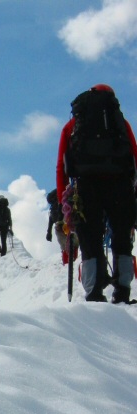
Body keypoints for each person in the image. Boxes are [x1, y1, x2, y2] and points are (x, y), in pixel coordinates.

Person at [56, 83, 137, 303]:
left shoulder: (72, 125)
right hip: (120, 186)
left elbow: (61, 166)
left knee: (90, 240)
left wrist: (61, 204)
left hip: (86, 188)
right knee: (122, 240)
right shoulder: (120, 123)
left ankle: (94, 292)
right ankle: (122, 291)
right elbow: (134, 157)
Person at [46, 188, 77, 265]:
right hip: (67, 221)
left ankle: (67, 261)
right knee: (74, 242)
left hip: (59, 225)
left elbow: (51, 219)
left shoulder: (53, 208)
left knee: (64, 244)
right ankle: (72, 260)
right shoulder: (63, 200)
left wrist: (49, 233)